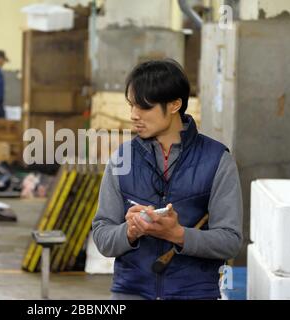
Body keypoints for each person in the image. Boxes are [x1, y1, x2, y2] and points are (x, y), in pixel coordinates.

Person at [92, 59, 243, 300]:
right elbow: (102, 236)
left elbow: (230, 241)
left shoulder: (218, 160)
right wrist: (130, 231)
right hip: (131, 292)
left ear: (175, 105)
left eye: (144, 107)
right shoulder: (121, 160)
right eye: (131, 105)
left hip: (194, 293)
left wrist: (178, 234)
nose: (133, 115)